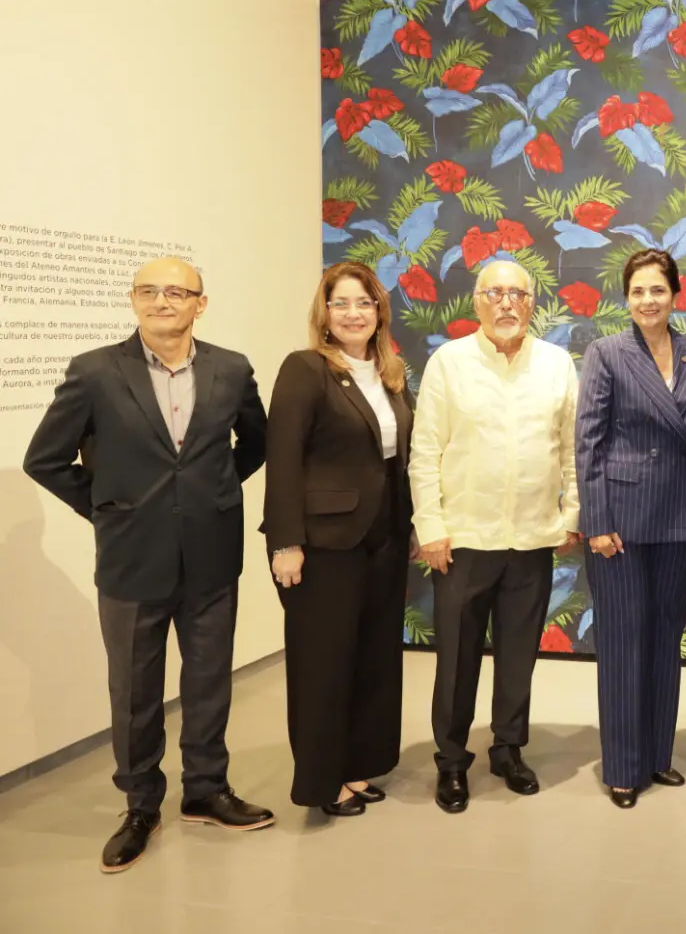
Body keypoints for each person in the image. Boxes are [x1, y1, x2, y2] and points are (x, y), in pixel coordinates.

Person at [24, 257, 274, 873]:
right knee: (135, 692)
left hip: (213, 556)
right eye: (149, 291)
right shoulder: (94, 373)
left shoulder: (232, 368)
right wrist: (111, 510)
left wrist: (208, 496)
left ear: (200, 302)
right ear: (133, 300)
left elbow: (257, 444)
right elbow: (46, 460)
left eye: (176, 291)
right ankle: (140, 805)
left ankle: (206, 790)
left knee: (210, 680)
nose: (162, 301)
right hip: (131, 560)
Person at [409, 259, 580, 814]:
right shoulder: (449, 363)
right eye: (495, 293)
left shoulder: (556, 365)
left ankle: (508, 748)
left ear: (532, 304)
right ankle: (452, 761)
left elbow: (573, 449)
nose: (507, 303)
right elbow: (424, 453)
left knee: (517, 657)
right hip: (464, 541)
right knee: (456, 659)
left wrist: (571, 515)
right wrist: (431, 528)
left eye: (518, 294)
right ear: (477, 302)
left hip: (531, 540)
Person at [262, 262, 414, 818]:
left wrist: (413, 526)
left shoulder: (391, 374)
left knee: (372, 659)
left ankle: (356, 765)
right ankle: (322, 782)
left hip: (385, 539)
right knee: (322, 665)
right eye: (341, 303)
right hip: (323, 544)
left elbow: (396, 460)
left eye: (364, 303)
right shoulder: (306, 370)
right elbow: (282, 458)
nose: (353, 313)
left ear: (379, 312)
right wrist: (285, 542)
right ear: (324, 314)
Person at [575, 249, 686, 809]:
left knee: (664, 638)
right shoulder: (607, 353)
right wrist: (597, 521)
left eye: (658, 290)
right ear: (626, 298)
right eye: (638, 292)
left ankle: (658, 754)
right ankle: (624, 768)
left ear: (674, 294)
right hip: (621, 520)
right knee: (624, 642)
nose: (648, 301)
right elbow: (588, 441)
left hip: (677, 514)